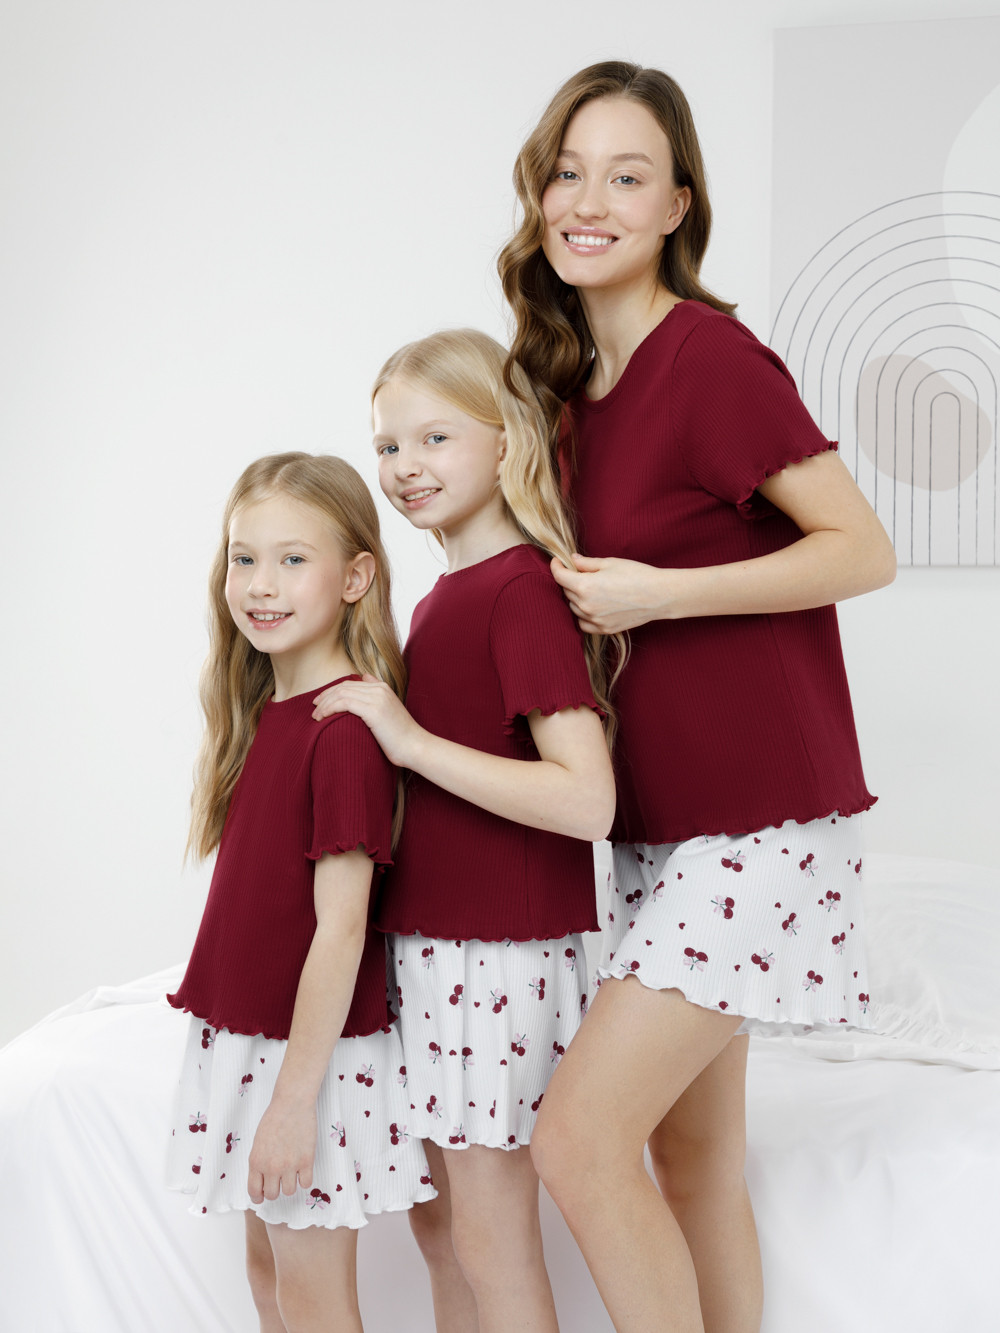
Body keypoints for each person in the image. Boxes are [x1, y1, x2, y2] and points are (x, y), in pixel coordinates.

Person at [497, 61, 897, 1333]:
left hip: (760, 824)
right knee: (691, 1161)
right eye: (569, 174)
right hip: (659, 831)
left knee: (577, 1140)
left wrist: (661, 595)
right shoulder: (568, 394)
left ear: (677, 207)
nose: (589, 202)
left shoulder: (708, 357)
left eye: (627, 177)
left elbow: (861, 548)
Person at [313, 328, 617, 1333]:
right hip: (439, 949)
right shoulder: (448, 595)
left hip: (494, 957)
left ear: (506, 439)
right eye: (388, 445)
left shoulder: (518, 590)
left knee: (488, 1236)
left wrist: (407, 741)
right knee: (444, 1229)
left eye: (434, 437)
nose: (405, 466)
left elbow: (587, 799)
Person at [166, 453, 435, 1333]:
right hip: (257, 1043)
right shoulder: (267, 717)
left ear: (355, 577)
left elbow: (341, 929)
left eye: (292, 559)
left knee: (313, 1299)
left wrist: (291, 1102)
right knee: (268, 1277)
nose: (261, 584)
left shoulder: (342, 731)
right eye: (245, 557)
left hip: (306, 1060)